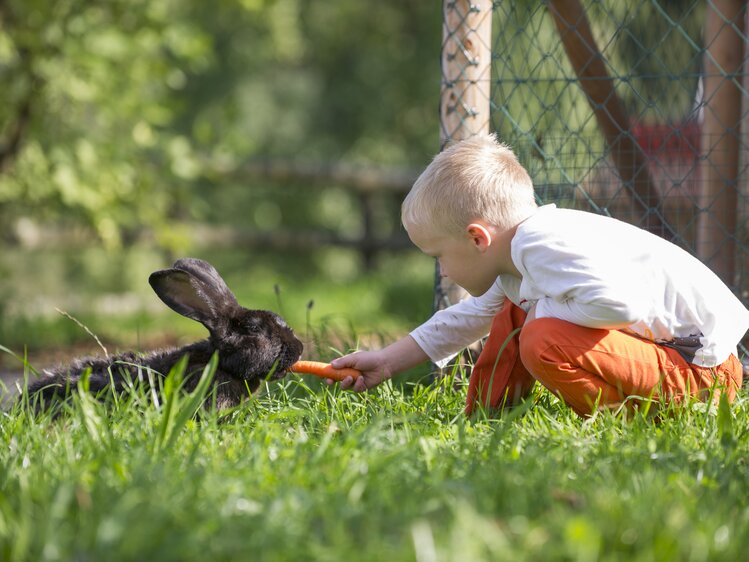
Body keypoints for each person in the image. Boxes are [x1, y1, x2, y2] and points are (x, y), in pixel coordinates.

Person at [329, 134, 749, 417]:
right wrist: (385, 361)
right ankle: (489, 416)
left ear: (478, 238)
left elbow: (622, 305)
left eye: (439, 254)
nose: (442, 268)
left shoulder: (541, 245)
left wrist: (540, 311)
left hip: (702, 375)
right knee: (516, 313)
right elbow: (463, 320)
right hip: (672, 361)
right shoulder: (517, 257)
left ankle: (623, 422)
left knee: (540, 333)